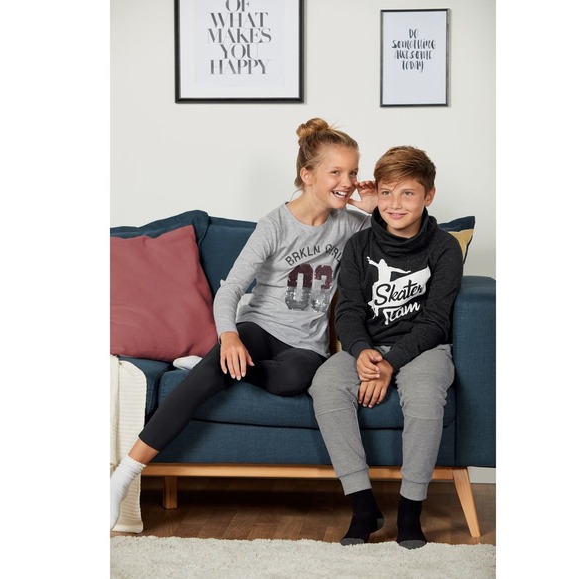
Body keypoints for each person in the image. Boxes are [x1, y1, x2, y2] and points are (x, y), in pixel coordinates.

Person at [110, 118, 377, 530]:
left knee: (293, 380)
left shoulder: (352, 224)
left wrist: (373, 208)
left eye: (353, 173)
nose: (347, 182)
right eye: (336, 172)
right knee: (205, 377)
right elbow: (231, 288)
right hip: (258, 329)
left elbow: (401, 235)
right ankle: (123, 477)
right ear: (307, 175)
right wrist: (229, 336)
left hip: (306, 344)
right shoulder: (275, 224)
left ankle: (212, 363)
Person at [308, 146, 464, 549]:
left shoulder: (445, 248)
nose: (396, 204)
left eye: (408, 193)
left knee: (426, 395)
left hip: (425, 348)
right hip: (367, 346)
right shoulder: (359, 245)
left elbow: (435, 321)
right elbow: (349, 311)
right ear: (377, 193)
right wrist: (361, 351)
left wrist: (390, 364)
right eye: (387, 192)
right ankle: (363, 507)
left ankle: (410, 511)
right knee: (326, 384)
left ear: (429, 195)